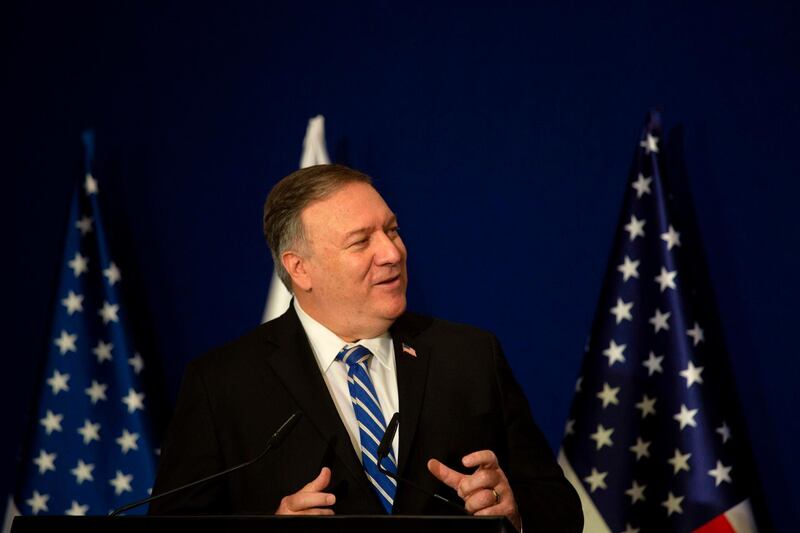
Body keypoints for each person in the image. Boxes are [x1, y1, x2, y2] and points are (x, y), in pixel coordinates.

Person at [149, 164, 583, 531]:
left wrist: (515, 508)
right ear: (300, 269)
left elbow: (561, 506)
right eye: (361, 241)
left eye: (392, 231)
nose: (392, 253)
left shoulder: (469, 356)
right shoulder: (223, 383)